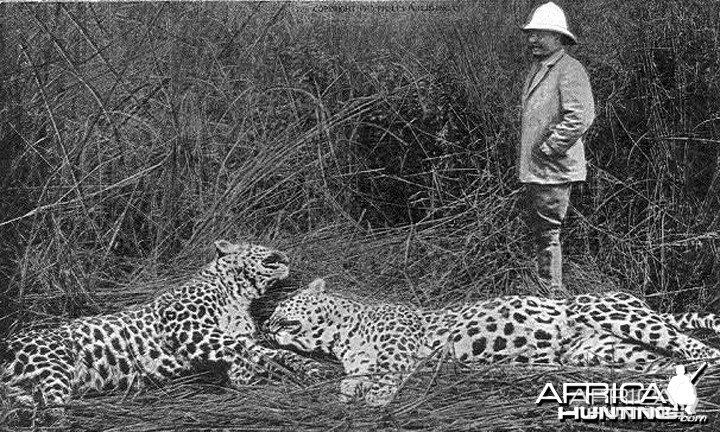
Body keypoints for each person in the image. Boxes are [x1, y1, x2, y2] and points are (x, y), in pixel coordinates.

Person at [519, 2, 595, 291]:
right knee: (543, 235)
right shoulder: (541, 68)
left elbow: (581, 116)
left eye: (540, 34)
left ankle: (552, 297)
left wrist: (550, 148)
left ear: (559, 38)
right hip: (540, 170)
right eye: (531, 34)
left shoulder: (570, 70)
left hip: (554, 169)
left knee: (548, 235)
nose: (533, 39)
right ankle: (545, 292)